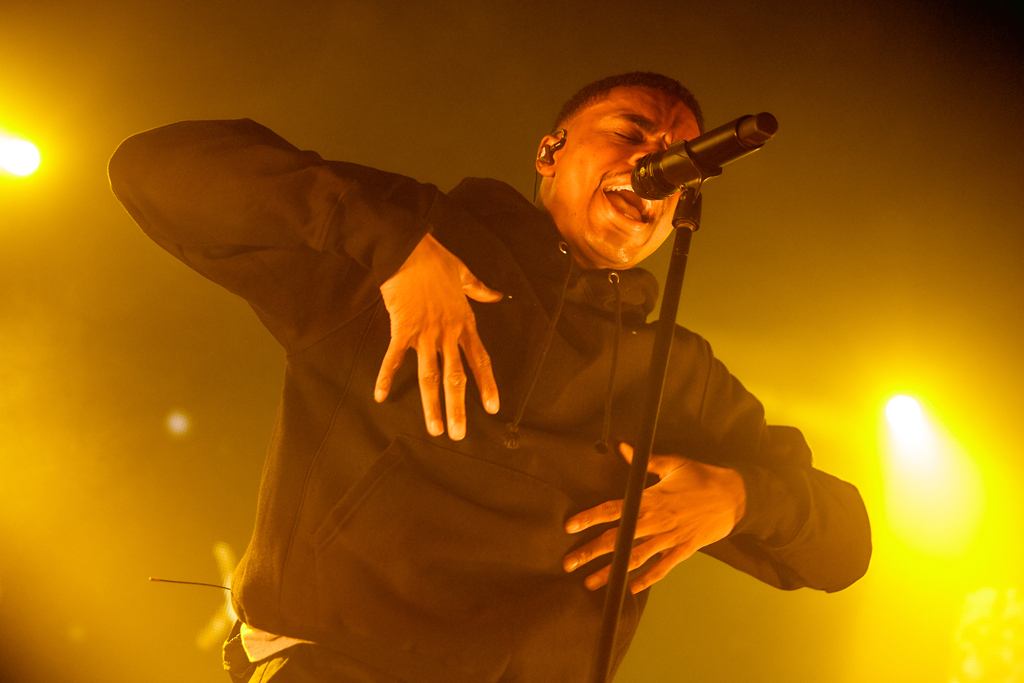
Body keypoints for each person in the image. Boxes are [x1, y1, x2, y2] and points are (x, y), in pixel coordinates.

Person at [109, 72, 871, 682]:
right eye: (630, 134)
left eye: (675, 154)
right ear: (550, 152)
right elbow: (153, 169)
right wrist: (395, 246)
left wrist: (740, 498)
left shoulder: (677, 374)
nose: (653, 162)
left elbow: (846, 547)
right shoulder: (422, 246)